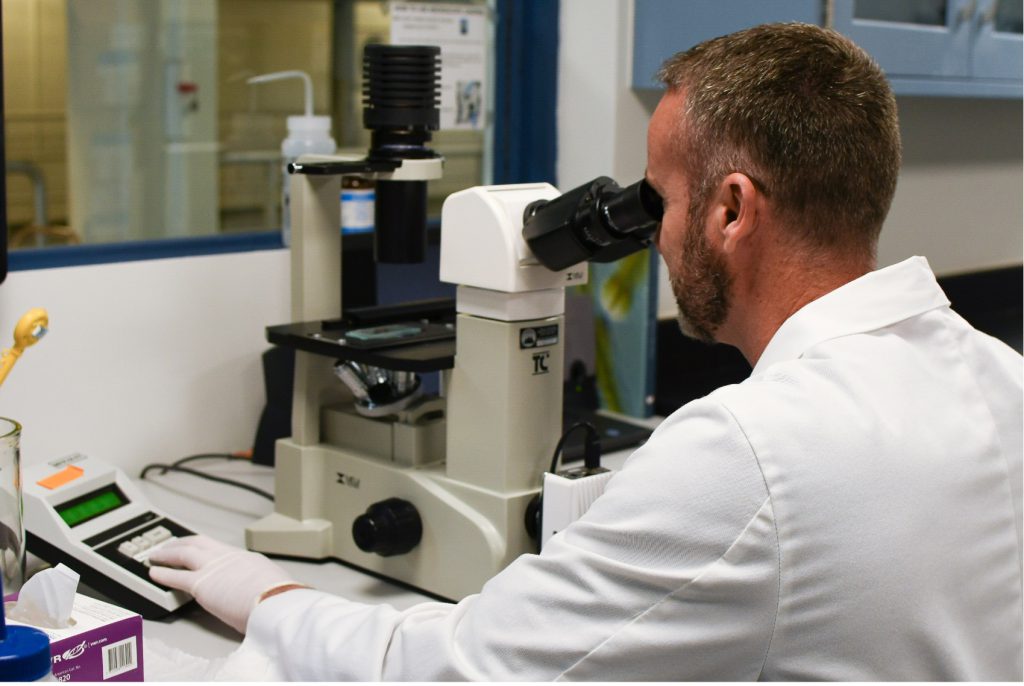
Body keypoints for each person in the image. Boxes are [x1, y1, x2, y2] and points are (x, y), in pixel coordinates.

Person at [149, 23, 1023, 680]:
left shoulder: (752, 454)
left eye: (664, 203)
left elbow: (455, 670)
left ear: (730, 210)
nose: (654, 237)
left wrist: (267, 598)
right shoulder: (1001, 377)